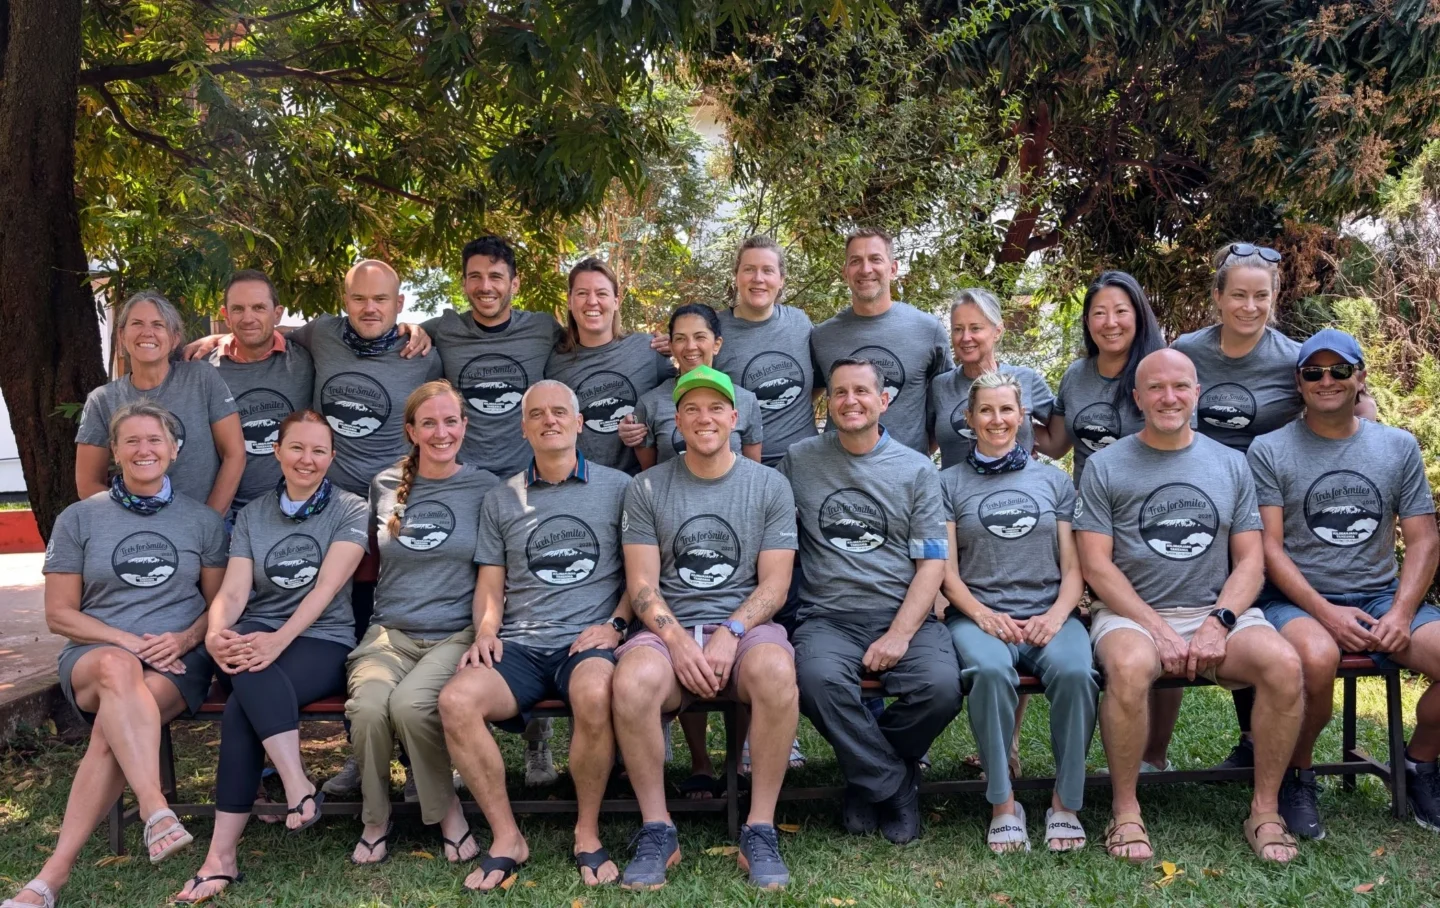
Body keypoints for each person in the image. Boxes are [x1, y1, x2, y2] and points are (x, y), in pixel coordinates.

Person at [1075, 348, 1303, 864]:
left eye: (1180, 386)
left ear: (1197, 393)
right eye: (1155, 388)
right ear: (1137, 398)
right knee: (1131, 667)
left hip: (1215, 609)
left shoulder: (1230, 463)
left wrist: (1218, 621)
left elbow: (1249, 561)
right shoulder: (1106, 466)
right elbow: (1097, 565)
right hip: (1132, 613)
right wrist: (1156, 629)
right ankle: (1127, 810)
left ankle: (1265, 810)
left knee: (1283, 665)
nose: (1169, 397)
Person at [3, 405, 228, 908]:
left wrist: (185, 640)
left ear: (174, 450)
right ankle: (155, 806)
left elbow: (218, 606)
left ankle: (48, 882)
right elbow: (59, 614)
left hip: (176, 661)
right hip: (94, 657)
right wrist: (125, 641)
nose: (144, 450)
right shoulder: (79, 518)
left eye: (155, 440)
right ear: (115, 451)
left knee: (112, 728)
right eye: (132, 441)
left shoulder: (203, 522)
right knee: (117, 667)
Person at [1174, 243, 1378, 777]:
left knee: (1248, 606)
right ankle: (1171, 749)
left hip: (1258, 504)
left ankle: (1256, 742)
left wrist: (1370, 446)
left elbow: (1358, 404)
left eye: (1260, 295)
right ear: (1217, 298)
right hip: (1192, 499)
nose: (1248, 306)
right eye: (1237, 295)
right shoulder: (1188, 350)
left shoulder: (1293, 357)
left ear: (1275, 296)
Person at [436, 379, 632, 891]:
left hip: (585, 641)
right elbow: (491, 583)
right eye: (537, 414)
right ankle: (506, 838)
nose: (549, 420)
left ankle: (586, 831)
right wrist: (485, 631)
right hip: (520, 644)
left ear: (579, 422)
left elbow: (641, 576)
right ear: (523, 427)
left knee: (594, 693)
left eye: (560, 412)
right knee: (456, 701)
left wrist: (615, 625)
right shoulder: (502, 497)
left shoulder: (619, 488)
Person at [612, 365, 800, 890]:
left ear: (735, 417)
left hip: (744, 627)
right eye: (692, 408)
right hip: (669, 622)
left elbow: (776, 584)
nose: (704, 418)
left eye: (716, 408)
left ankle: (759, 827)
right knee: (631, 680)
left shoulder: (770, 485)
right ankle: (657, 828)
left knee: (775, 671)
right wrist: (674, 639)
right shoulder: (647, 487)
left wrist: (730, 632)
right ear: (677, 420)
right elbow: (642, 584)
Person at [1247, 329, 1440, 838]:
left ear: (1360, 377)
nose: (1326, 380)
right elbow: (1268, 547)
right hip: (1295, 599)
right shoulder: (1269, 450)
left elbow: (1422, 540)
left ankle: (1419, 763)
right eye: (1314, 372)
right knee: (1315, 658)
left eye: (1338, 370)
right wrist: (1326, 613)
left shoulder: (1397, 446)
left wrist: (1399, 613)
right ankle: (1298, 774)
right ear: (1299, 381)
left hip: (1380, 595)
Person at [174, 410, 370, 903]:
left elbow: (327, 589)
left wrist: (279, 639)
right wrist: (218, 631)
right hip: (255, 635)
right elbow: (235, 590)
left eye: (319, 450)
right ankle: (297, 782)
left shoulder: (349, 508)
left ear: (331, 456)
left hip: (322, 639)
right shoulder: (253, 514)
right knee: (244, 661)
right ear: (277, 451)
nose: (308, 459)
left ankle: (220, 859)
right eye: (297, 448)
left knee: (244, 701)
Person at [783, 358, 961, 845]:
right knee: (817, 681)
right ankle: (893, 784)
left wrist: (900, 634)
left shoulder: (917, 470)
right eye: (839, 392)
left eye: (861, 391)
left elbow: (931, 565)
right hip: (828, 616)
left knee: (942, 687)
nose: (849, 401)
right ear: (828, 402)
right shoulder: (800, 461)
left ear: (884, 401)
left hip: (902, 610)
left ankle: (867, 775)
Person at [939, 371, 1095, 853]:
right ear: (969, 419)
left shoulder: (1053, 481)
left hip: (1049, 611)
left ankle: (1064, 804)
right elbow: (946, 572)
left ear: (1023, 416)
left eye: (1007, 409)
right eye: (985, 410)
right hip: (978, 614)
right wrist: (982, 616)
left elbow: (1074, 569)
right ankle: (1003, 804)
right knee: (988, 670)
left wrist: (1056, 615)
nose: (997, 419)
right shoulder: (946, 483)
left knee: (1075, 672)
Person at [345, 381, 498, 865]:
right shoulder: (384, 484)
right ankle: (376, 817)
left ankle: (447, 810)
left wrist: (486, 630)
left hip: (454, 633)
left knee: (412, 706)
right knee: (369, 707)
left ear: (465, 426)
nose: (441, 432)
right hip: (389, 633)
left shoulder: (486, 487)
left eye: (450, 421)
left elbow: (495, 574)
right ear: (411, 430)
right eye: (428, 422)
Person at [76, 291, 245, 514]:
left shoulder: (201, 378)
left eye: (158, 325)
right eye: (137, 323)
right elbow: (88, 484)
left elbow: (234, 454)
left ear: (174, 338)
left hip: (203, 524)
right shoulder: (103, 400)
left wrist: (209, 520)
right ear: (121, 335)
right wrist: (130, 523)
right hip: (135, 531)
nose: (147, 332)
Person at [421, 235, 561, 478]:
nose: (485, 286)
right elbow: (395, 336)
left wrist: (649, 341)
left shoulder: (542, 328)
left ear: (514, 284)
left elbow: (593, 342)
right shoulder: (444, 329)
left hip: (528, 477)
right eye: (475, 276)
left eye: (496, 276)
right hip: (464, 477)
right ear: (464, 283)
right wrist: (413, 331)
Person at [809, 229, 952, 454]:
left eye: (875, 259)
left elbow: (945, 403)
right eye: (856, 261)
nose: (866, 269)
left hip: (906, 474)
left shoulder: (928, 330)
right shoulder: (823, 336)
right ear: (845, 272)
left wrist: (919, 455)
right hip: (837, 472)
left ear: (892, 269)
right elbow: (804, 399)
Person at [544, 257, 675, 475]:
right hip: (585, 485)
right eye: (582, 293)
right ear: (569, 301)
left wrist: (682, 343)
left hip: (642, 484)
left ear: (616, 301)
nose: (592, 301)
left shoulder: (648, 350)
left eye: (601, 293)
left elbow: (683, 394)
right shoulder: (554, 364)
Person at [205, 270, 315, 516]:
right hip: (230, 515)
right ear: (226, 316)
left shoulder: (306, 358)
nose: (248, 317)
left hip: (300, 510)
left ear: (277, 314)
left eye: (258, 308)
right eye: (238, 309)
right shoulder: (203, 369)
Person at [1048, 271, 1165, 484]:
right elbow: (1055, 446)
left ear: (1138, 316)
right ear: (1087, 320)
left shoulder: (1162, 373)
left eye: (1121, 311)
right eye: (1099, 313)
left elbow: (1182, 451)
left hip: (1144, 504)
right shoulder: (1076, 375)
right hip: (1087, 504)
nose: (1110, 323)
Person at [712, 235, 819, 464]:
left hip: (805, 461)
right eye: (749, 269)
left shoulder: (799, 322)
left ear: (781, 280)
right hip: (740, 466)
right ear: (737, 276)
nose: (758, 278)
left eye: (768, 271)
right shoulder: (714, 329)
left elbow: (819, 379)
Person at [927, 288, 1059, 467]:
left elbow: (1057, 444)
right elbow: (927, 444)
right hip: (956, 493)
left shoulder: (1026, 379)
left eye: (975, 328)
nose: (965, 337)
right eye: (958, 329)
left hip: (1017, 491)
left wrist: (1024, 437)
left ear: (997, 331)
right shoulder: (940, 386)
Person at [626, 303, 763, 468]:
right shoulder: (649, 404)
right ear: (671, 346)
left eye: (700, 337)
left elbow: (754, 473)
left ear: (717, 344)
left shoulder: (746, 400)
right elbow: (649, 475)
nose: (690, 346)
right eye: (680, 338)